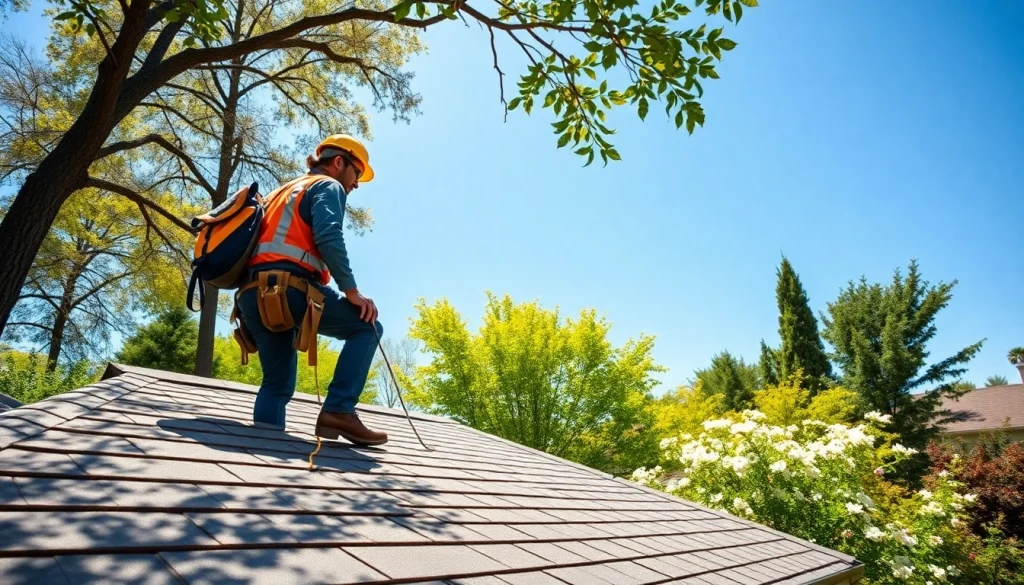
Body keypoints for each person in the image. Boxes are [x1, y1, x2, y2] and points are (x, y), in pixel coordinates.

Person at [235, 134, 387, 446]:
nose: (356, 184)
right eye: (357, 173)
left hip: (251, 297)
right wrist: (351, 291)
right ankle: (339, 410)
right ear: (339, 162)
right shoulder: (327, 186)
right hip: (289, 291)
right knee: (367, 327)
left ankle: (264, 452)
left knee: (276, 385)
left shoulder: (278, 193)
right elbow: (328, 235)